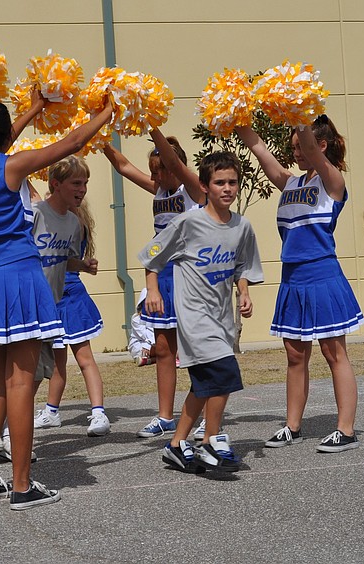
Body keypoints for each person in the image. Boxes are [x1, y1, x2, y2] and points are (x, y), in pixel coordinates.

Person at [0, 93, 113, 510]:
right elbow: (72, 143)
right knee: (21, 384)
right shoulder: (9, 166)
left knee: (0, 388)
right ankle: (22, 485)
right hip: (19, 278)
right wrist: (108, 113)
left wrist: (36, 108)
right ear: (4, 135)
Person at [236, 115, 364, 453]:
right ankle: (292, 425)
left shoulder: (331, 182)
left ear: (320, 146)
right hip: (292, 277)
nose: (296, 153)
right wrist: (237, 120)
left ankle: (345, 429)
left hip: (322, 274)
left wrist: (300, 113)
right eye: (292, 148)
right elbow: (258, 147)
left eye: (300, 147)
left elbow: (310, 147)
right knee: (295, 355)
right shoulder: (290, 183)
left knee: (334, 352)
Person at [139, 151, 263, 472]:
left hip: (222, 318)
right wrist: (152, 289)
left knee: (204, 384)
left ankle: (177, 444)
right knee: (224, 374)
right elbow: (153, 255)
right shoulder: (188, 223)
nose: (227, 188)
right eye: (219, 182)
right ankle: (210, 440)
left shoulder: (242, 227)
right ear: (204, 187)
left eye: (232, 182)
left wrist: (244, 292)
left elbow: (242, 266)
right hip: (193, 317)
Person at [103, 131, 204, 439]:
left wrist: (151, 126)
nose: (153, 175)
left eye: (158, 169)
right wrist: (98, 138)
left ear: (173, 167)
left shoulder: (193, 190)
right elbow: (122, 166)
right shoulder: (158, 191)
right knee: (163, 347)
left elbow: (172, 158)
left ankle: (205, 413)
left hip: (189, 273)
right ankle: (165, 416)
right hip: (162, 275)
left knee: (198, 347)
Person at [32, 156, 110, 437]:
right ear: (56, 184)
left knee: (81, 357)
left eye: (86, 183)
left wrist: (82, 265)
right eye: (77, 182)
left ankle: (98, 413)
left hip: (66, 297)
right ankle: (39, 414)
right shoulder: (36, 213)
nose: (83, 188)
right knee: (40, 367)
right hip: (38, 304)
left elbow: (66, 260)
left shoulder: (74, 224)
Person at [128, 289, 156, 366]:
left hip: (154, 343)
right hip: (140, 343)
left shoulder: (158, 316)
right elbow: (145, 335)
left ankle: (149, 360)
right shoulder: (136, 318)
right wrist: (148, 345)